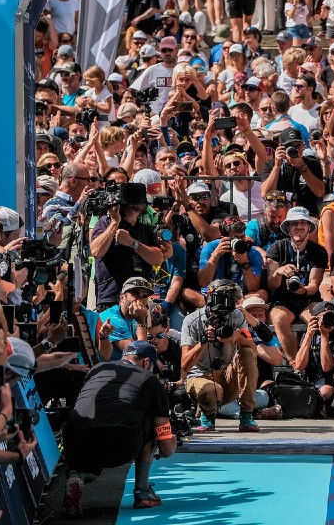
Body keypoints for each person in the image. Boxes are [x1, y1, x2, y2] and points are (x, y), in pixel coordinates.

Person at [62, 342, 175, 517]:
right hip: (120, 443)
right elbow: (166, 448)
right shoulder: (150, 379)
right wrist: (171, 441)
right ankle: (142, 492)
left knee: (92, 424)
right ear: (146, 362)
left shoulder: (97, 368)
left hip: (75, 442)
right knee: (149, 420)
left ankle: (78, 475)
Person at [179, 281, 262, 434]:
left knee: (247, 353)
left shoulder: (237, 316)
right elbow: (185, 365)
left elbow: (253, 350)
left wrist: (237, 338)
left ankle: (246, 415)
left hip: (227, 378)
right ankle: (208, 416)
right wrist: (203, 341)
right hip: (200, 377)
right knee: (210, 389)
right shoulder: (191, 320)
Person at [265, 207, 328, 367]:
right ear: (288, 227)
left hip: (308, 298)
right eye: (294, 223)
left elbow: (314, 285)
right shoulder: (276, 248)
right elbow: (272, 285)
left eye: (303, 223)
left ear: (308, 227)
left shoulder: (318, 251)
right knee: (279, 319)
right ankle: (296, 365)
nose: (299, 227)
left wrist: (302, 290)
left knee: (318, 320)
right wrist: (279, 272)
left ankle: (321, 366)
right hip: (282, 300)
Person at [90, 183, 166, 310]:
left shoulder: (144, 229)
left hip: (140, 298)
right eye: (131, 195)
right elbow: (96, 251)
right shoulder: (106, 222)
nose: (137, 200)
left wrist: (132, 243)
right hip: (112, 297)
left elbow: (158, 258)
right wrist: (115, 223)